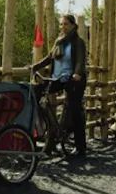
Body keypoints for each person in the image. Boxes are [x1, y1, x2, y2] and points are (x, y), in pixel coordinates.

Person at [31, 14, 88, 157]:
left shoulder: (77, 42)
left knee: (75, 110)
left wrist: (77, 73)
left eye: (66, 24)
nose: (63, 27)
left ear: (73, 26)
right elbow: (50, 57)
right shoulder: (59, 41)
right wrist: (34, 67)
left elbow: (81, 60)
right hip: (58, 78)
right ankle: (51, 127)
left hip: (73, 80)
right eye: (61, 24)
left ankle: (81, 147)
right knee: (36, 91)